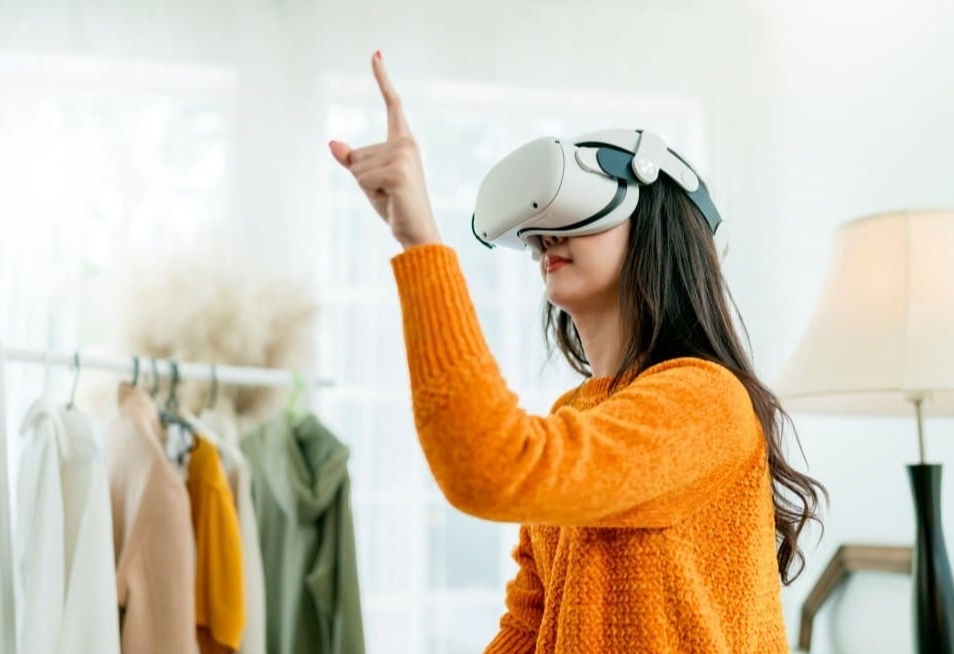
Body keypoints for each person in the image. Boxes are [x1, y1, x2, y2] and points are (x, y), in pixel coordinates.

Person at [329, 52, 826, 653]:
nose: (546, 234)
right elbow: (527, 627)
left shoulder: (707, 402)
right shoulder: (576, 412)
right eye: (539, 224)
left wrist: (420, 241)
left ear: (657, 225)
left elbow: (490, 467)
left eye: (579, 211)